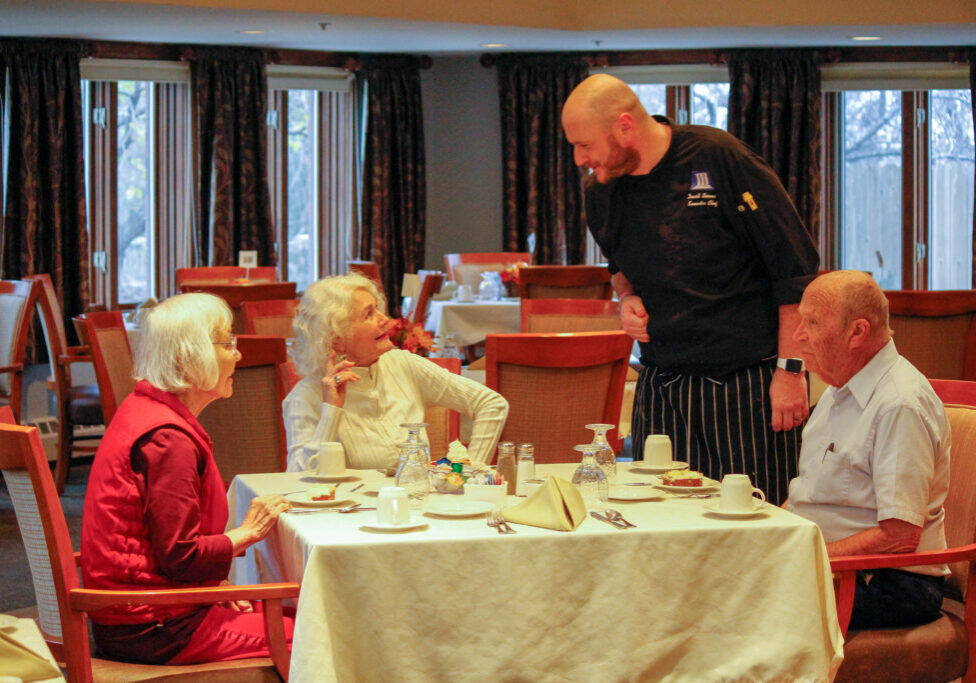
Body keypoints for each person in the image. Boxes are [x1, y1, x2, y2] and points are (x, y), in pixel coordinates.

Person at [561, 73, 819, 504]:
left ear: (625, 126)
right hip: (662, 385)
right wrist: (627, 297)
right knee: (660, 521)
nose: (578, 158)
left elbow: (793, 268)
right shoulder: (602, 191)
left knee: (754, 519)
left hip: (746, 384)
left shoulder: (719, 158)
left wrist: (791, 371)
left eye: (585, 145)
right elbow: (618, 267)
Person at [80, 293, 294, 665]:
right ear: (189, 356)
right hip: (155, 627)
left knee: (301, 616)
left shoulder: (149, 410)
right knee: (319, 636)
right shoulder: (167, 438)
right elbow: (181, 555)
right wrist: (247, 533)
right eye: (227, 342)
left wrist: (211, 586)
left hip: (143, 612)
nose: (238, 354)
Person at [787, 270, 948, 629]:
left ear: (857, 332)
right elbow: (809, 497)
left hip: (892, 582)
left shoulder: (899, 404)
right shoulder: (838, 390)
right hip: (834, 566)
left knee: (742, 599)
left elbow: (900, 537)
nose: (798, 335)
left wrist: (804, 558)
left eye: (812, 322)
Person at [283, 272, 508, 470]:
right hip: (350, 516)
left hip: (417, 508)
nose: (385, 320)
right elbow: (297, 479)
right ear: (337, 339)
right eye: (369, 314)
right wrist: (331, 411)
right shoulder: (305, 397)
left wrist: (472, 473)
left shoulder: (403, 364)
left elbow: (490, 404)